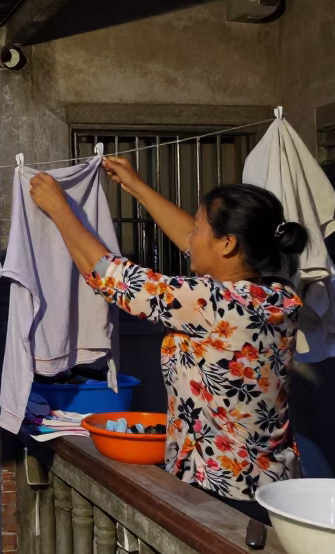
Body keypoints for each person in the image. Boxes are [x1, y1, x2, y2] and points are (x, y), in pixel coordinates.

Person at [28, 156, 309, 521]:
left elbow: (111, 277)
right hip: (273, 487)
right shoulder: (279, 296)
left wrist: (59, 209)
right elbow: (200, 247)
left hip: (223, 494)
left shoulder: (211, 302)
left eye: (198, 228)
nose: (190, 237)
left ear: (227, 244)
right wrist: (136, 188)